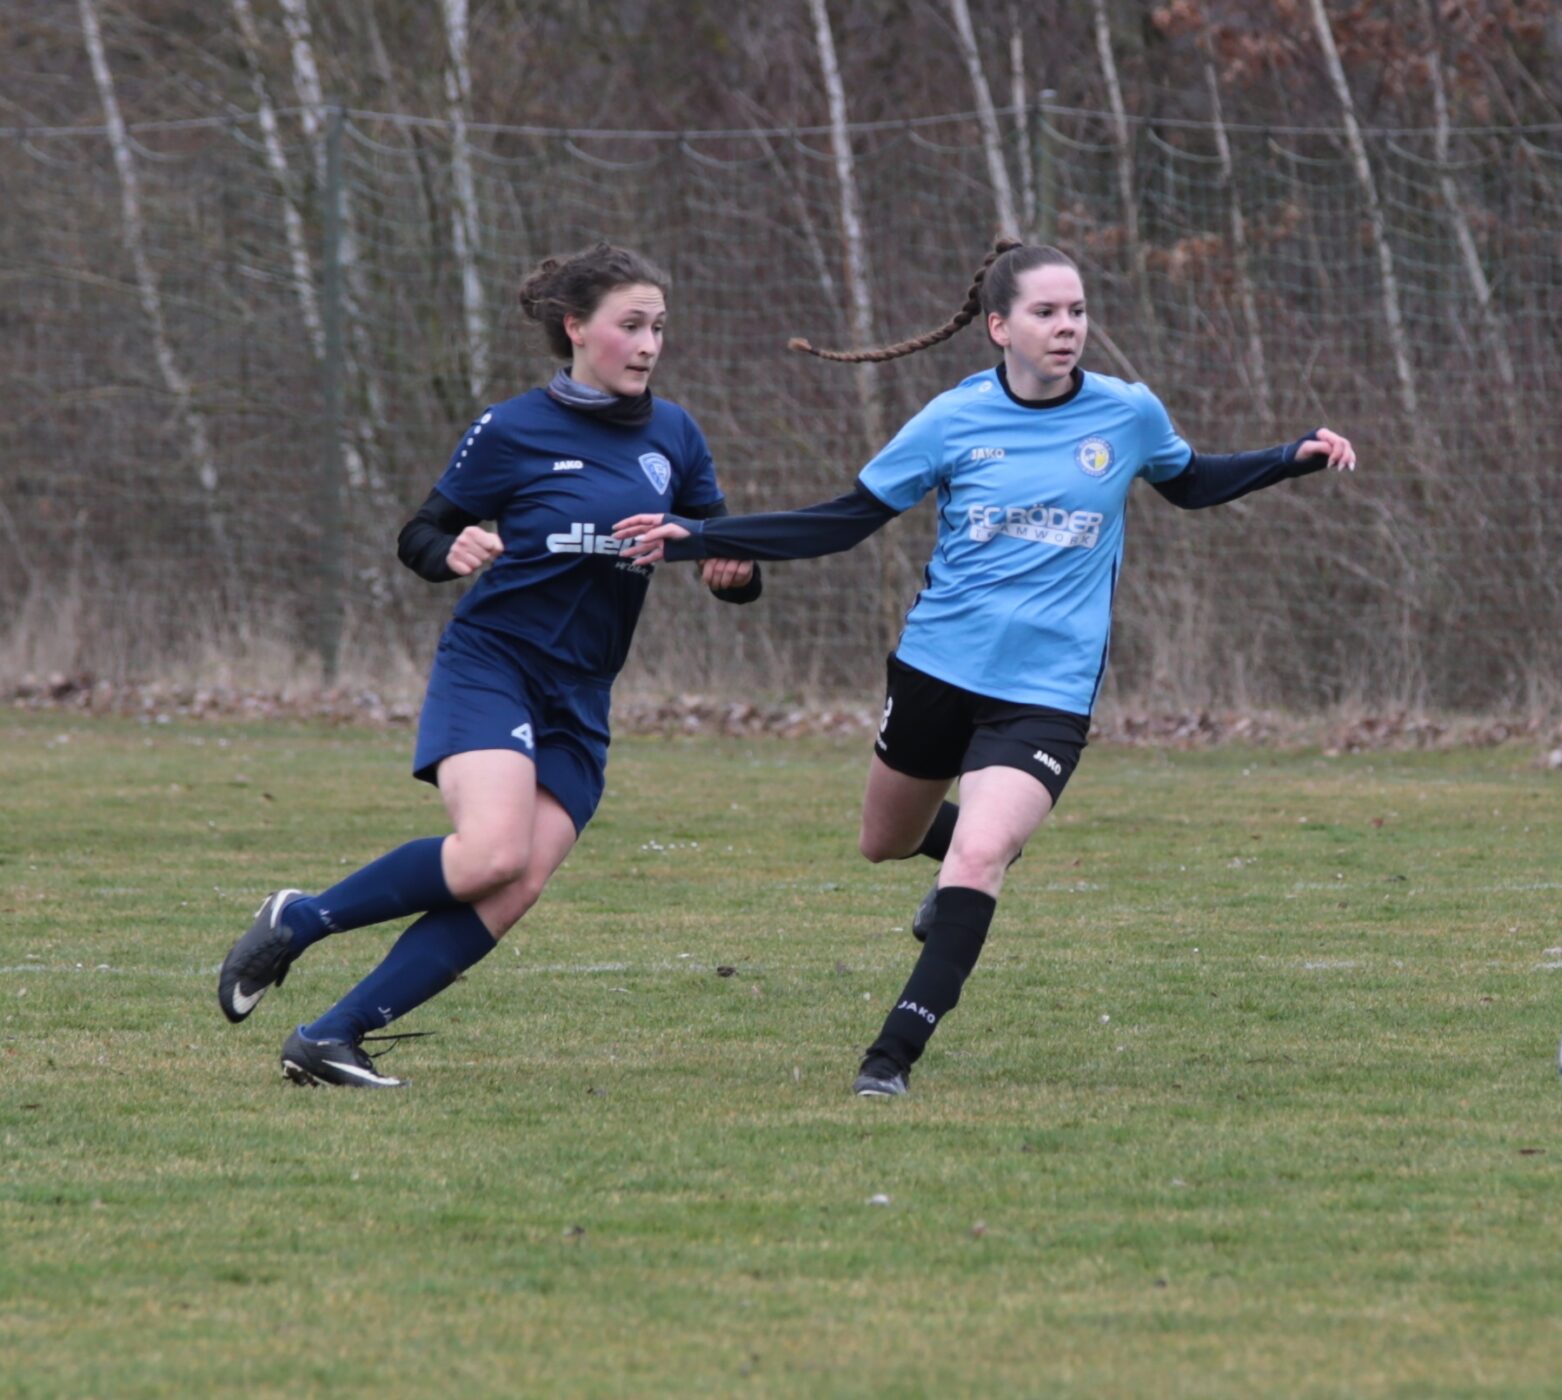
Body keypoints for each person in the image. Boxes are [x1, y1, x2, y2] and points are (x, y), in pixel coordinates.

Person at [615, 239, 1355, 1099]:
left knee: (977, 858)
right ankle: (974, 849)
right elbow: (846, 520)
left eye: (1077, 311)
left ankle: (889, 1058)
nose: (1067, 326)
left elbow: (1190, 482)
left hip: (1046, 692)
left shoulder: (1127, 414)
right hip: (936, 670)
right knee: (884, 842)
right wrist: (702, 536)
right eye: (1046, 312)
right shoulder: (952, 420)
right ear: (1000, 327)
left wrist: (1289, 456)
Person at [217, 242, 762, 1088]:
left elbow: (721, 551)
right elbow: (420, 534)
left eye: (658, 327)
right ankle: (302, 918)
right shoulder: (512, 428)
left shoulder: (675, 434)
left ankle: (330, 1038)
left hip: (583, 692)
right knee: (490, 855)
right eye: (631, 326)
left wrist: (733, 567)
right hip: (495, 663)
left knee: (516, 885)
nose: (649, 344)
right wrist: (453, 549)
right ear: (575, 328)